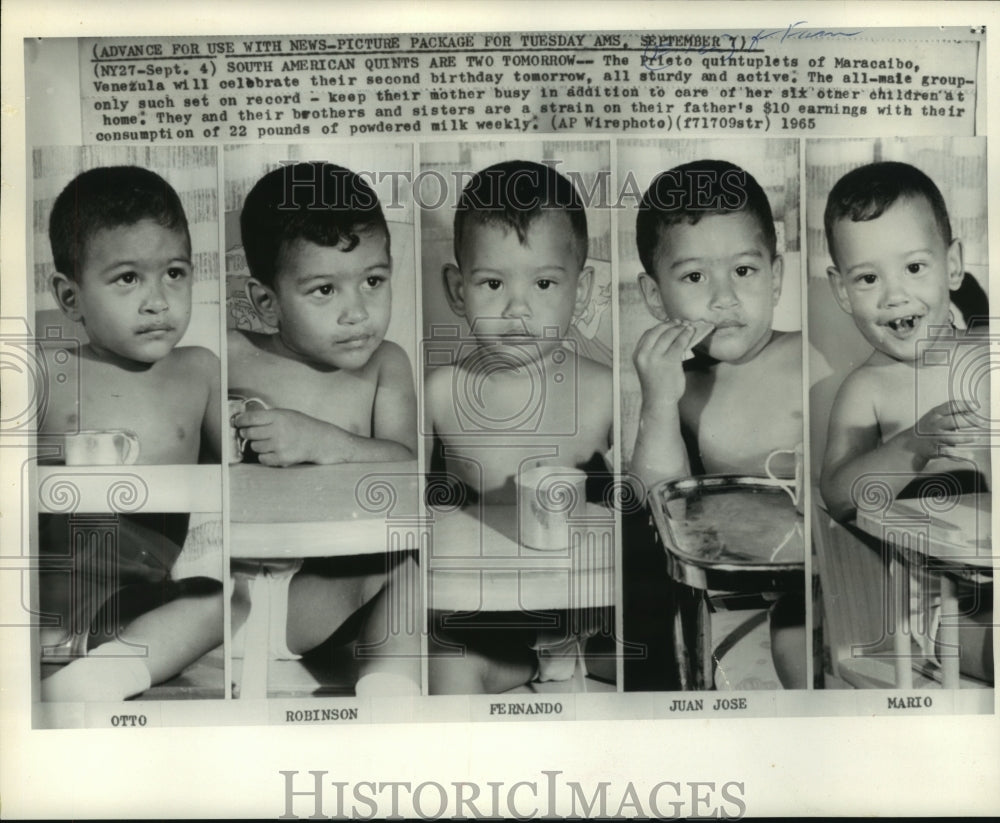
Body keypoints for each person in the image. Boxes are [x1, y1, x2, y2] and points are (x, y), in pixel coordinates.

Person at [227, 161, 420, 696]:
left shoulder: (387, 364)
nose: (357, 312)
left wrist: (326, 442)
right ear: (267, 300)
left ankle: (389, 694)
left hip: (316, 598)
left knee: (410, 566)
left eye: (373, 281)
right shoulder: (232, 356)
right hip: (225, 594)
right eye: (324, 291)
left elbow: (408, 463)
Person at [424, 159, 613, 694]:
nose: (518, 309)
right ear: (458, 291)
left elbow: (645, 511)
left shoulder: (605, 389)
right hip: (489, 618)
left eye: (545, 283)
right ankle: (529, 671)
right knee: (442, 663)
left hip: (594, 614)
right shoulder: (440, 394)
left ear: (584, 285)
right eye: (491, 283)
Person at [39, 165, 224, 701]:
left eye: (174, 273)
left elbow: (246, 482)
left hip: (135, 608)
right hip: (35, 602)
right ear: (71, 299)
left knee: (220, 601)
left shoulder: (200, 373)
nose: (157, 301)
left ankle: (100, 678)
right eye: (127, 278)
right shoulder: (48, 376)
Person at [628, 159, 805, 689]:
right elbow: (658, 507)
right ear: (655, 295)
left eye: (744, 271)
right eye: (695, 276)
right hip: (781, 589)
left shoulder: (809, 353)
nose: (723, 297)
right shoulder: (684, 391)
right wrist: (658, 400)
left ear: (775, 276)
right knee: (796, 645)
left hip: (859, 555)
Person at [819, 160, 992, 682]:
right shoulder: (867, 390)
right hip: (941, 600)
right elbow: (838, 496)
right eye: (869, 278)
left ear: (952, 265)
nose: (895, 294)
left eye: (915, 267)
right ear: (842, 291)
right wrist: (913, 445)